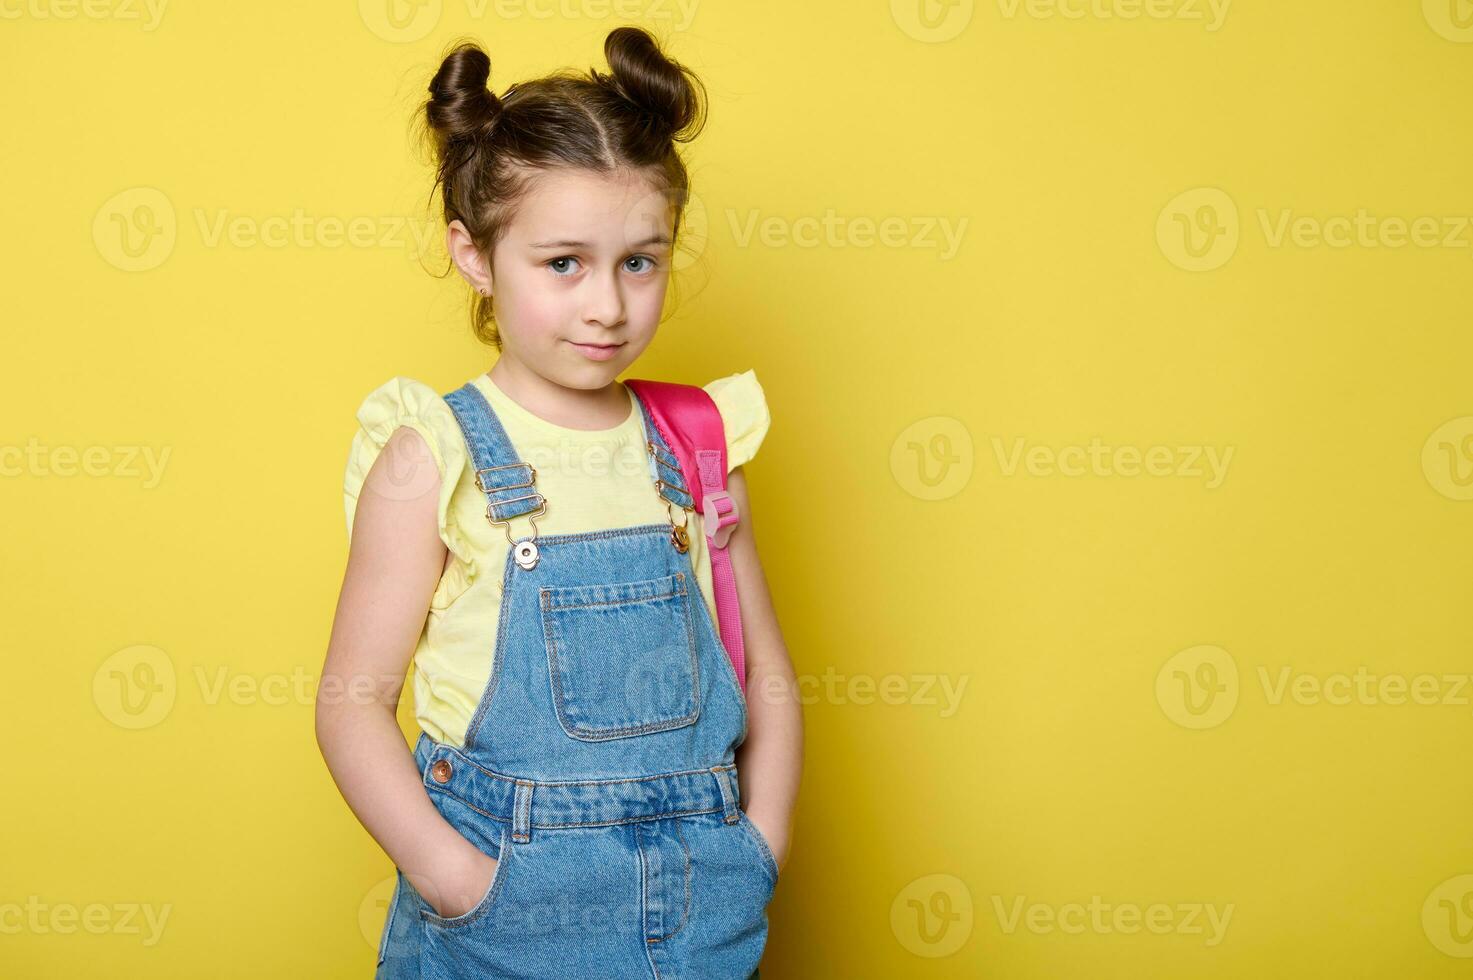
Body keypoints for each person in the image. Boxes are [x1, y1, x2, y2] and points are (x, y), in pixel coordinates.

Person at [315, 26, 802, 979]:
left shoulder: (699, 445)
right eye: (563, 263)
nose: (607, 307)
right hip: (501, 914)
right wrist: (459, 882)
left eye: (639, 261)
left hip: (704, 907)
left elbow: (771, 685)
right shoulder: (435, 456)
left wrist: (760, 848)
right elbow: (351, 702)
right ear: (474, 254)